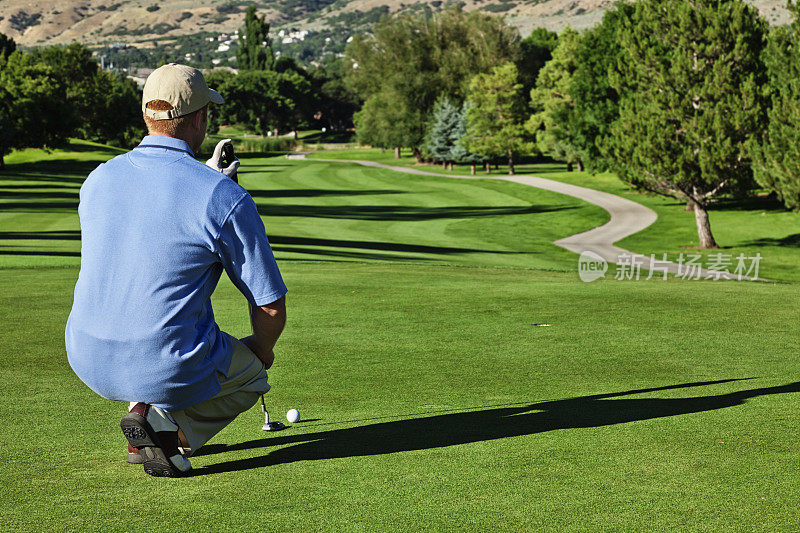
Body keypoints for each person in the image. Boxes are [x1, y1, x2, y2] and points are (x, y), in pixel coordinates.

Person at [65, 63, 287, 477]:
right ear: (201, 118)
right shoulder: (223, 197)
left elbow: (151, 219)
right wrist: (263, 351)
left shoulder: (97, 179)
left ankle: (145, 413)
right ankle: (165, 428)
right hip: (160, 360)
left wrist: (207, 177)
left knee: (149, 325)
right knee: (253, 371)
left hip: (85, 354)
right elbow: (270, 305)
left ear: (146, 114)